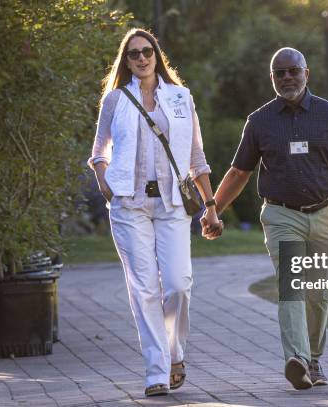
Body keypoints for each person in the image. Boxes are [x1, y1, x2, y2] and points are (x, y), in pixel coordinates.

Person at [204, 47, 328, 390]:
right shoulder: (260, 121)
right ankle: (296, 358)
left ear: (306, 74)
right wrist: (213, 210)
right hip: (281, 215)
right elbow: (239, 172)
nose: (287, 78)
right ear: (272, 78)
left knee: (318, 294)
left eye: (293, 71)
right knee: (291, 286)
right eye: (280, 73)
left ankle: (313, 358)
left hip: (324, 214)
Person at [88, 28, 222, 397]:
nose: (142, 58)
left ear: (156, 54)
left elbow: (197, 158)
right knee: (144, 289)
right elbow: (99, 150)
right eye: (134, 54)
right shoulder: (116, 99)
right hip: (129, 205)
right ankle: (156, 372)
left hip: (172, 204)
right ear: (126, 60)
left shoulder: (180, 97)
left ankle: (175, 351)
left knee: (178, 284)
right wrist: (104, 181)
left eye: (147, 51)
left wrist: (210, 207)